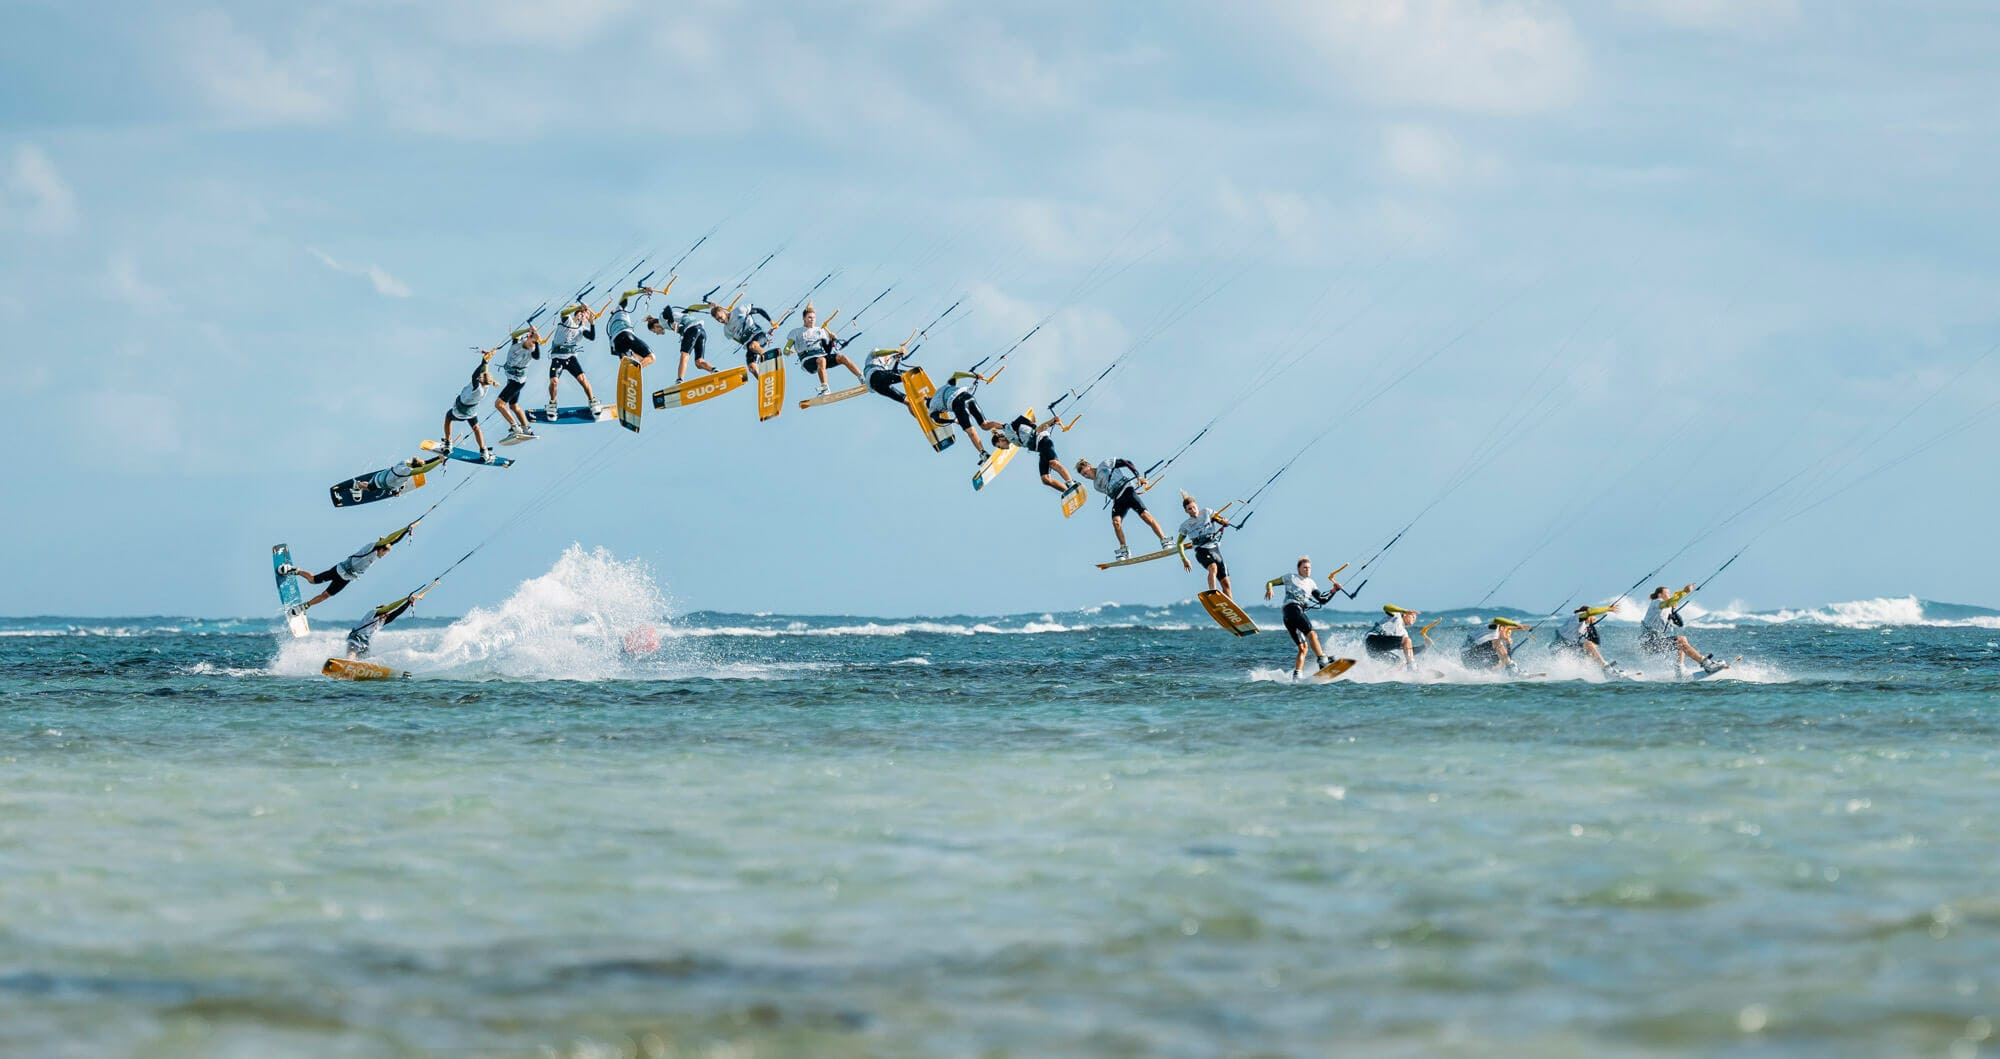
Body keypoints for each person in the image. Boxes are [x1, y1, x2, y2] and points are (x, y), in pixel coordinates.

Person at [278, 528, 408, 611]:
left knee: (325, 595)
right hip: (340, 569)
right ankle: (294, 570)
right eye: (385, 552)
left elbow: (392, 543)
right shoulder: (371, 548)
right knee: (312, 580)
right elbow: (393, 539)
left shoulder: (376, 557)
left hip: (347, 578)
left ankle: (305, 606)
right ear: (381, 548)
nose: (384, 555)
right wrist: (406, 530)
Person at [1073, 457, 1171, 562]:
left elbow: (1126, 462)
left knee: (1144, 515)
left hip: (1128, 491)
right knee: (1116, 522)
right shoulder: (1096, 486)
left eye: (1085, 472)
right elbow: (1112, 491)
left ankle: (1165, 540)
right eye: (1083, 475)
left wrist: (1137, 477)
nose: (1085, 476)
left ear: (1089, 466)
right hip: (1118, 500)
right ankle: (1124, 550)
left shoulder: (1104, 465)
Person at [1263, 555, 1342, 679]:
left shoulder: (1311, 583)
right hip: (1292, 609)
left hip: (1289, 616)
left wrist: (1333, 591)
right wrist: (1269, 589)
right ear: (1299, 569)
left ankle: (1297, 675)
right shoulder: (1290, 577)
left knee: (1303, 648)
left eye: (1309, 568)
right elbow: (1270, 582)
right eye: (1305, 567)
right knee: (1312, 634)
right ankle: (1322, 659)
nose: (1307, 570)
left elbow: (1322, 600)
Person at [1642, 584, 1727, 674]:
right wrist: (1685, 592)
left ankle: (1680, 669)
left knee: (1682, 640)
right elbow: (1667, 603)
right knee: (1681, 640)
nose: (1669, 595)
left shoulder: (1666, 608)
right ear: (1660, 595)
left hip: (1656, 641)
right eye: (1667, 593)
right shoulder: (1657, 602)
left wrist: (1673, 612)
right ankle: (1706, 664)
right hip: (1649, 642)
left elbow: (1680, 623)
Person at [989, 411, 1077, 495]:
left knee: (1053, 463)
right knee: (1045, 479)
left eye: (999, 446)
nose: (1001, 449)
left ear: (1000, 440)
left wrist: (1052, 421)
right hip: (1041, 449)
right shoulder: (1014, 440)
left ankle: (1071, 483)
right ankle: (1068, 491)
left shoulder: (1010, 432)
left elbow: (1036, 429)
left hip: (1044, 441)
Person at [785, 304, 861, 396]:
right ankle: (825, 388)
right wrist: (787, 351)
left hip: (821, 356)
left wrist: (832, 339)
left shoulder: (820, 331)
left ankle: (862, 378)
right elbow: (786, 348)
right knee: (821, 360)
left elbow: (828, 350)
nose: (812, 319)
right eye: (809, 317)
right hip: (808, 360)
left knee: (842, 357)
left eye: (814, 317)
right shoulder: (796, 332)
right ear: (804, 318)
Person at [927, 371, 1004, 457]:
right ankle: (1006, 427)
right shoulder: (944, 387)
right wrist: (974, 376)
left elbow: (937, 420)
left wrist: (953, 420)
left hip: (957, 404)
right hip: (968, 397)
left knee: (971, 431)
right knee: (985, 425)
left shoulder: (931, 407)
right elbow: (956, 374)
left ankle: (983, 453)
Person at [546, 303, 602, 417]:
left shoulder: (582, 329)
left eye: (586, 318)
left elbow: (591, 337)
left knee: (582, 378)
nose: (585, 319)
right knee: (554, 382)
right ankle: (552, 404)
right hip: (557, 358)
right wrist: (578, 308)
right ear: (578, 314)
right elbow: (563, 313)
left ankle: (593, 401)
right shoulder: (568, 321)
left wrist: (592, 324)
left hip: (571, 358)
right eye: (584, 316)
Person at [1177, 492, 1234, 599]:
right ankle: (1212, 593)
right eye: (1189, 509)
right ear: (1186, 511)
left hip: (1215, 550)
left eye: (1194, 507)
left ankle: (1232, 609)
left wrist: (1224, 522)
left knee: (1226, 584)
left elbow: (1220, 520)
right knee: (1213, 568)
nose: (1193, 510)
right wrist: (1184, 559)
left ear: (1197, 505)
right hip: (1201, 550)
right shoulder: (1185, 525)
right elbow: (1179, 543)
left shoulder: (1207, 512)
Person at [441, 354, 496, 462]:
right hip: (471, 412)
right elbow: (484, 374)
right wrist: (487, 360)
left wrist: (483, 361)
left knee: (448, 418)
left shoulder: (477, 388)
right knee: (476, 428)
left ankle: (448, 443)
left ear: (480, 380)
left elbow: (474, 375)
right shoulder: (486, 387)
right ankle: (483, 451)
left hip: (459, 411)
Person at [345, 590, 421, 660]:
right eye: (385, 613)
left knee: (365, 658)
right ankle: (348, 662)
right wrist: (406, 598)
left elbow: (396, 613)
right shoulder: (372, 614)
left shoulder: (381, 622)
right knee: (352, 653)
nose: (386, 615)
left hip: (365, 642)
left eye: (387, 614)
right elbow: (389, 608)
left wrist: (408, 602)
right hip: (356, 638)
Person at [651, 303, 719, 383]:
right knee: (699, 362)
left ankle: (679, 380)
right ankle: (715, 371)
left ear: (655, 325)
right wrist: (708, 306)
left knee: (684, 355)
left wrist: (672, 322)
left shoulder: (662, 321)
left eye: (654, 331)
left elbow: (667, 309)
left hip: (691, 329)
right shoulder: (679, 315)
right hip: (701, 331)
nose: (657, 334)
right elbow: (692, 307)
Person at [711, 299, 778, 376]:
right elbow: (739, 340)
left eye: (720, 317)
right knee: (751, 368)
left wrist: (771, 322)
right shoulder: (726, 330)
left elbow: (759, 310)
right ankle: (763, 381)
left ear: (724, 312)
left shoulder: (739, 311)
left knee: (753, 346)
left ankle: (772, 360)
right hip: (750, 345)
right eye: (717, 319)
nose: (720, 320)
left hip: (758, 335)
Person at [495, 327, 540, 439]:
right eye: (531, 341)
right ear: (527, 337)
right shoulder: (517, 343)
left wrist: (536, 341)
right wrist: (528, 329)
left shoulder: (532, 350)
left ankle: (515, 428)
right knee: (514, 406)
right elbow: (515, 334)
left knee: (499, 404)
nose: (532, 345)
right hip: (512, 379)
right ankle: (527, 429)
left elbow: (537, 356)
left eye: (534, 343)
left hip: (517, 382)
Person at [1553, 604, 1620, 670]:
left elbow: (1596, 642)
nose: (1595, 618)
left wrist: (1591, 626)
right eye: (1593, 616)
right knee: (1588, 644)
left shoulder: (1583, 625)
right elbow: (1590, 612)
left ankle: (1590, 670)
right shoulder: (1578, 616)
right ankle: (1604, 665)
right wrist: (1608, 608)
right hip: (1560, 647)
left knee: (1590, 647)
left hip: (1570, 646)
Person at [606, 289, 656, 369]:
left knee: (629, 363)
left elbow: (613, 351)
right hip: (626, 335)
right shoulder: (620, 308)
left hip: (616, 344)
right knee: (651, 357)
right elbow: (626, 293)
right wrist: (643, 291)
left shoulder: (611, 323)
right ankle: (634, 370)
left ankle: (630, 371)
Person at [1460, 617, 1528, 672]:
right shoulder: (1494, 627)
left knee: (1501, 660)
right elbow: (1497, 619)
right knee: (1497, 644)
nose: (1508, 636)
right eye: (1507, 633)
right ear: (1501, 628)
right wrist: (1518, 625)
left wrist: (1507, 656)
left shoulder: (1490, 635)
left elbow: (1503, 655)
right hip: (1468, 653)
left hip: (1469, 661)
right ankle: (1512, 669)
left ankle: (1487, 674)